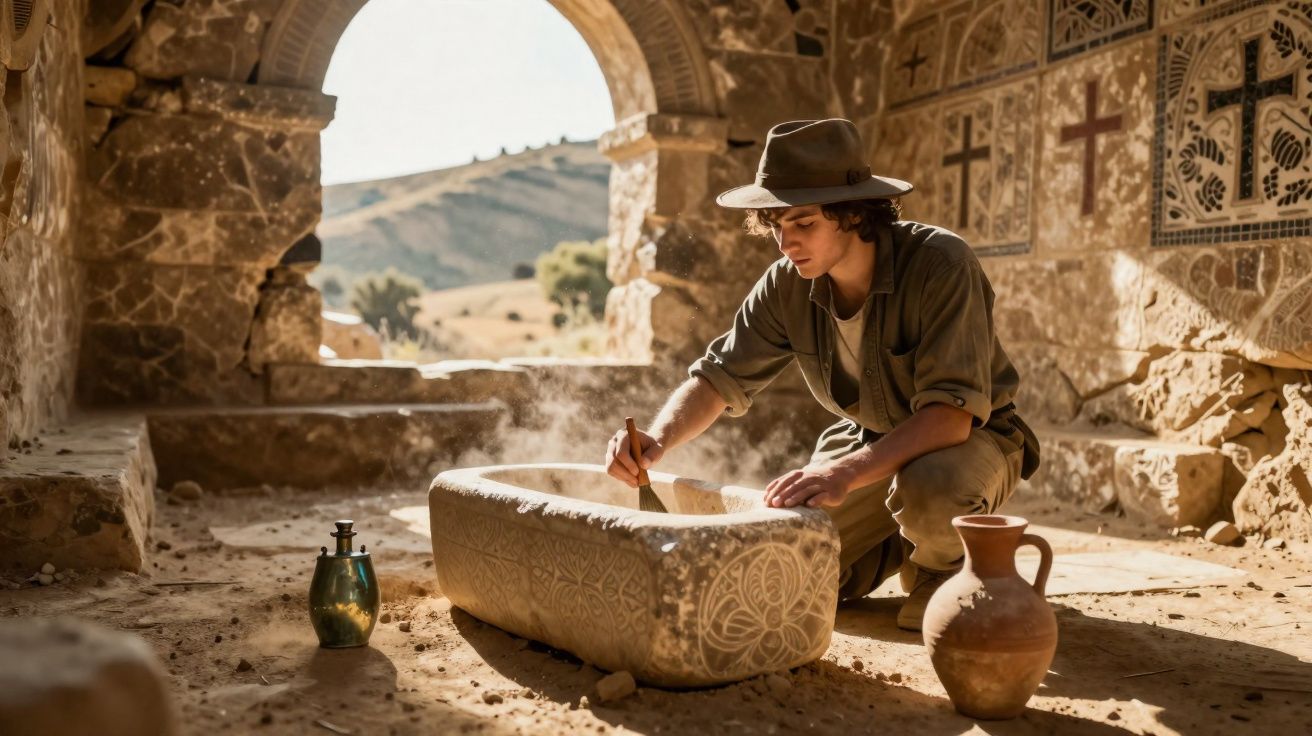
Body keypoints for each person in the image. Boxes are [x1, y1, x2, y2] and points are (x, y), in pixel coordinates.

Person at [603, 118, 1040, 631]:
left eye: (803, 224)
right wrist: (657, 439)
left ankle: (945, 569)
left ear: (853, 213)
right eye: (776, 226)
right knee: (789, 570)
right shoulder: (785, 284)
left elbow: (951, 417)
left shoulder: (942, 264)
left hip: (970, 443)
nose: (785, 243)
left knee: (932, 485)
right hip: (869, 441)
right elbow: (719, 378)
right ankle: (900, 540)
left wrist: (843, 474)